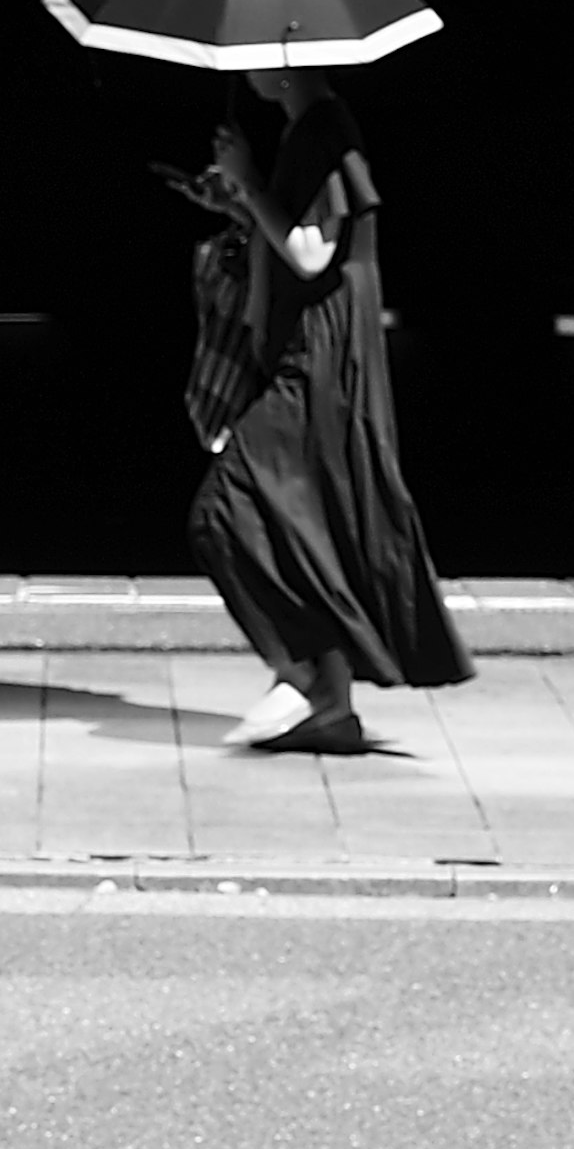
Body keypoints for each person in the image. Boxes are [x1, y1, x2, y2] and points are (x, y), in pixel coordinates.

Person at [174, 72, 472, 748]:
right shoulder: (306, 131)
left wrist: (249, 182)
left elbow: (311, 254)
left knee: (224, 510)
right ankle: (331, 705)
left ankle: (301, 669)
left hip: (317, 354)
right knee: (305, 519)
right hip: (307, 347)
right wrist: (242, 196)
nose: (247, 71)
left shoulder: (324, 131)